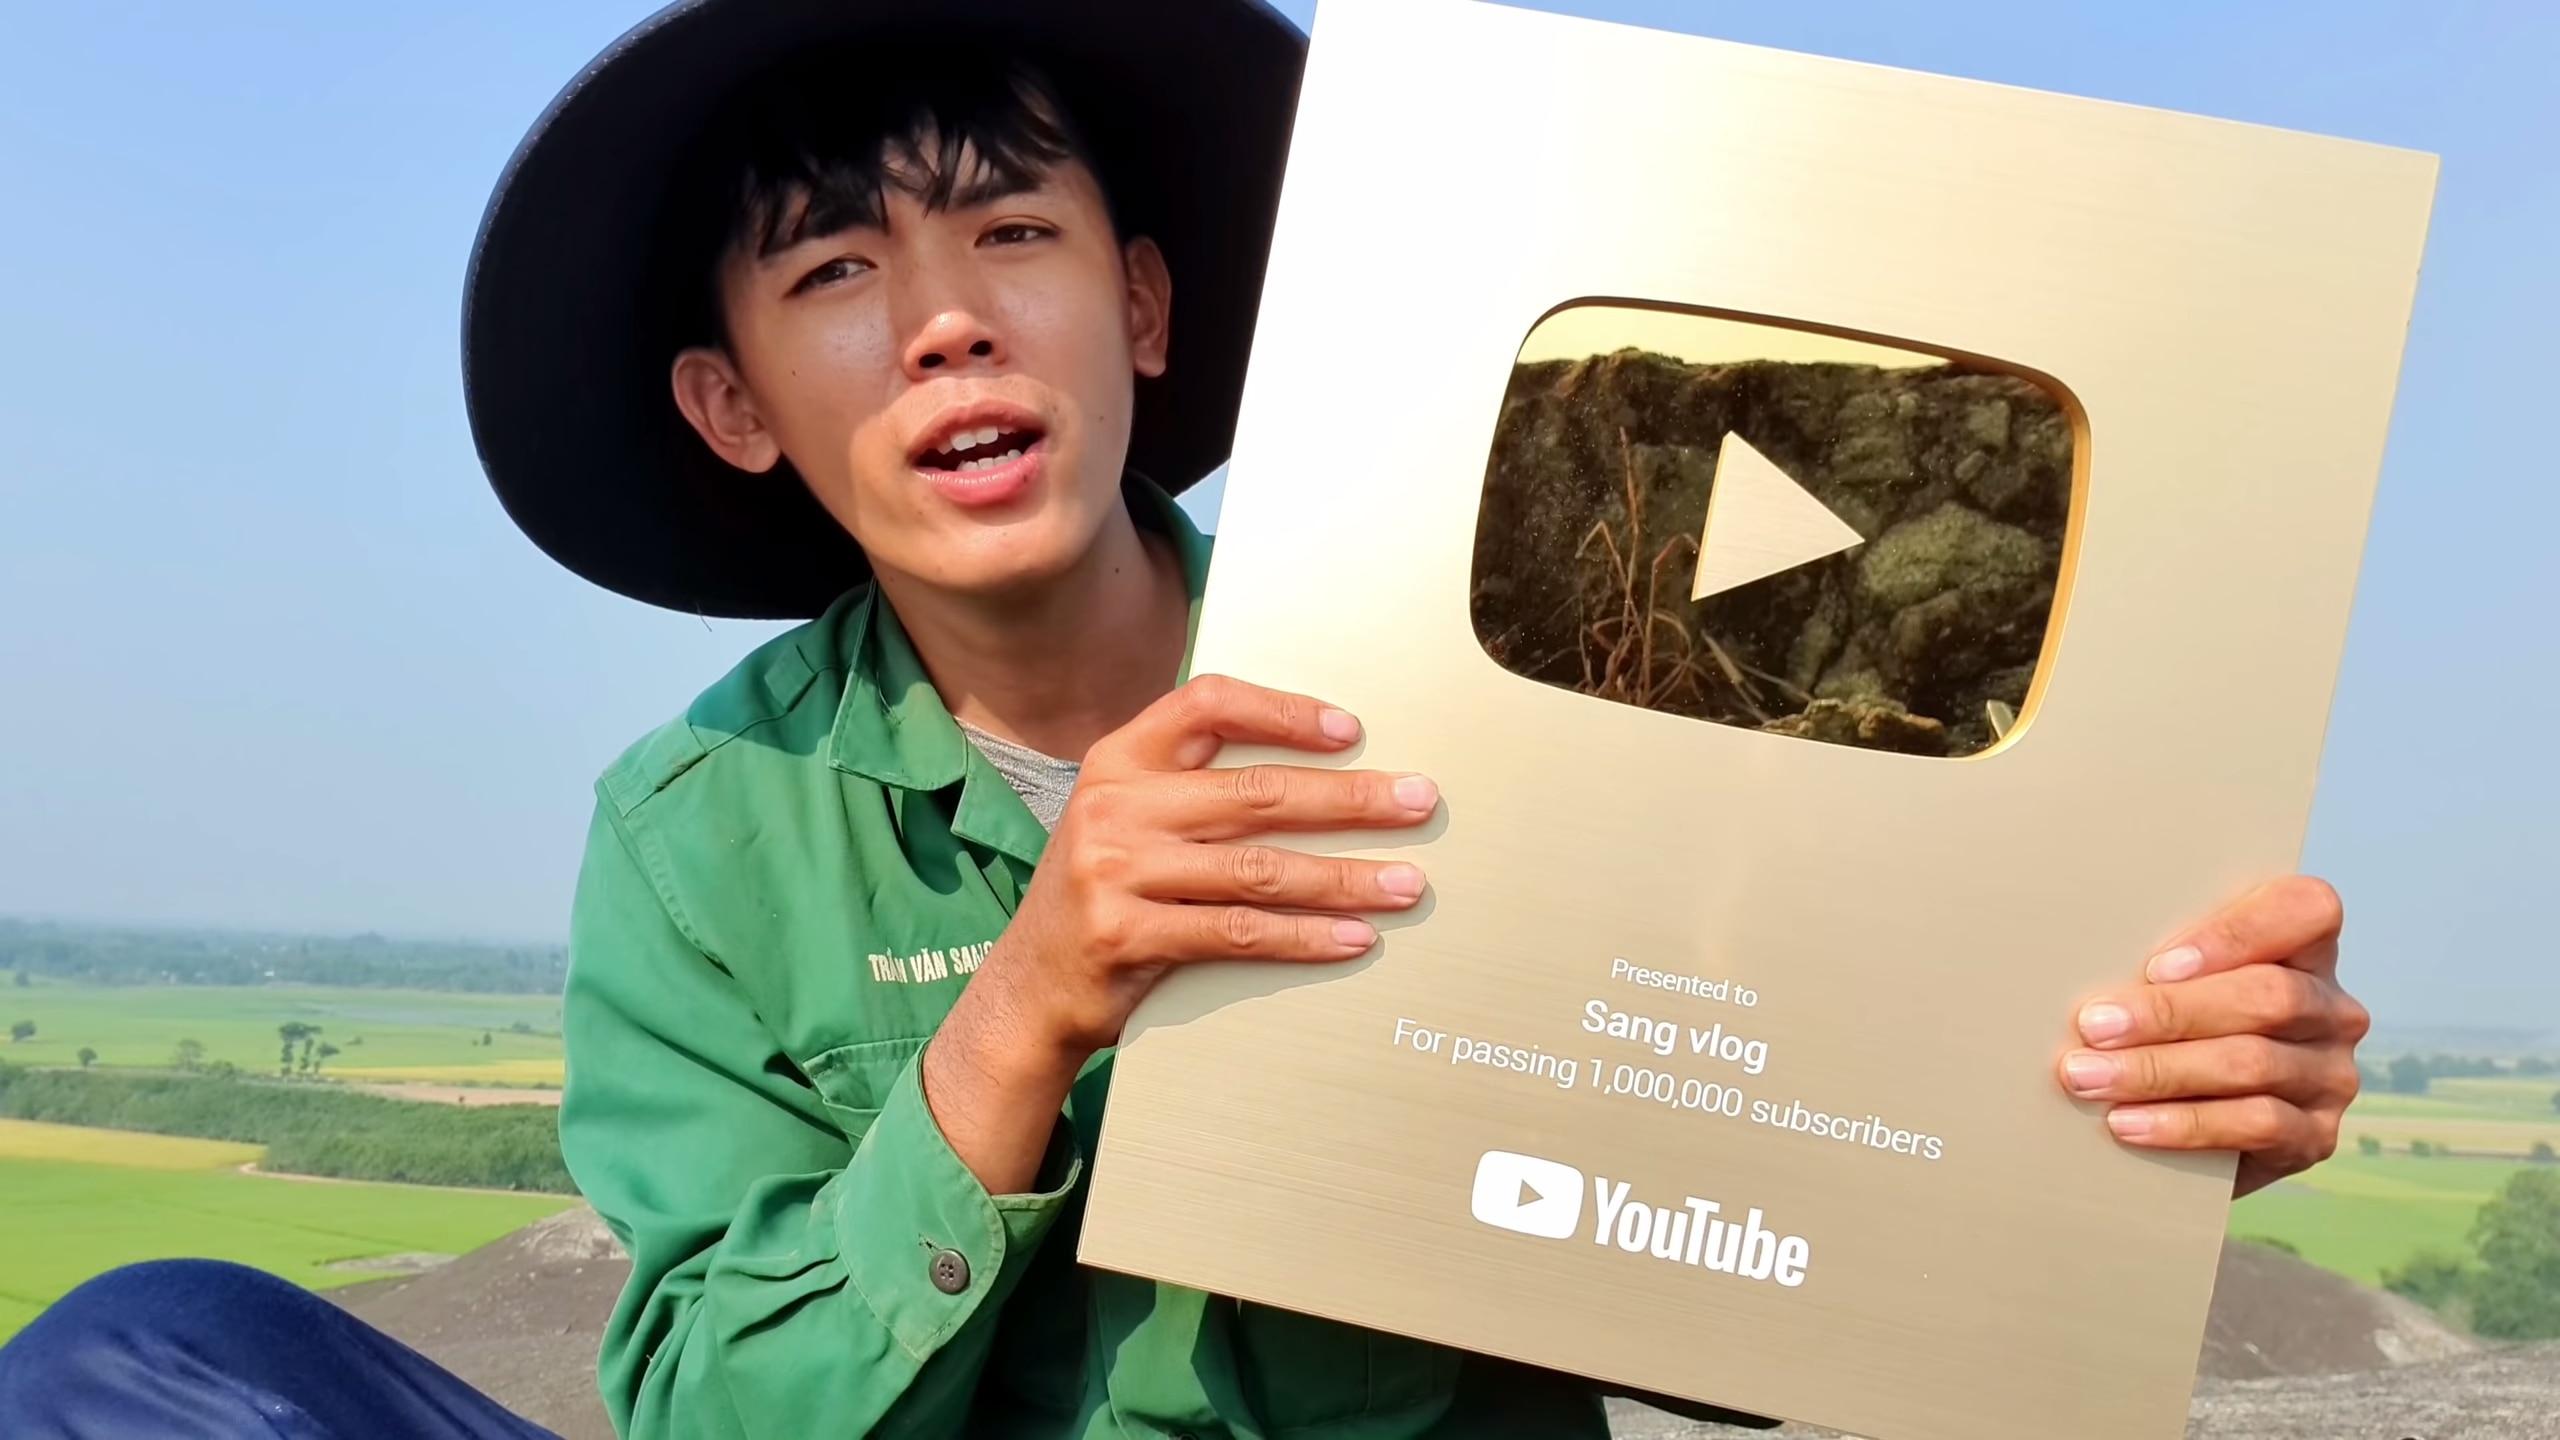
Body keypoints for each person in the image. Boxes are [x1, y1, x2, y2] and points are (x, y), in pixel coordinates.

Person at [0, 2, 2369, 1436]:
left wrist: (2089, 1150)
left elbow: (1742, 1276)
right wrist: (1021, 1011)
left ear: (1139, 308)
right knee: (136, 1355)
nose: (945, 319)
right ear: (734, 408)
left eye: (1011, 236)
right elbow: (714, 1409)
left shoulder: (1514, 686)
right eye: (837, 271)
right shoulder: (703, 828)